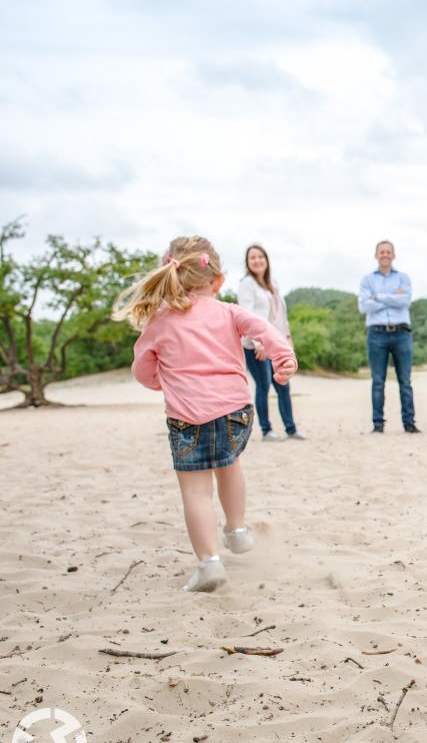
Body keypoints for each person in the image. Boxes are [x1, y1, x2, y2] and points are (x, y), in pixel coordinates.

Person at [113, 236, 297, 593]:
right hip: (234, 412)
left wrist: (157, 382)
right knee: (229, 467)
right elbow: (263, 329)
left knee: (196, 492)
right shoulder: (229, 311)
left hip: (186, 418)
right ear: (218, 282)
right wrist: (283, 356)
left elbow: (141, 368)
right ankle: (238, 530)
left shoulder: (160, 322)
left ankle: (209, 563)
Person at [238, 244, 303, 441]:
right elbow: (246, 315)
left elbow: (280, 316)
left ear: (266, 260)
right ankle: (266, 430)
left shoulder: (272, 283)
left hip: (276, 342)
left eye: (260, 257)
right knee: (264, 384)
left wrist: (287, 339)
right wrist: (260, 344)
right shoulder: (247, 284)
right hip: (255, 345)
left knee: (283, 384)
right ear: (248, 263)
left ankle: (291, 429)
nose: (257, 260)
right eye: (252, 257)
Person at [358, 240, 418, 434]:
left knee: (405, 381)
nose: (385, 254)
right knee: (378, 381)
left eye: (388, 252)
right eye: (381, 252)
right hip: (376, 333)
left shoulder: (403, 278)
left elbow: (405, 301)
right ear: (376, 255)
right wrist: (392, 296)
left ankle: (409, 423)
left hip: (401, 332)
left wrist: (377, 296)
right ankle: (378, 424)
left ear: (393, 255)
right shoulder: (367, 280)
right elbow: (363, 306)